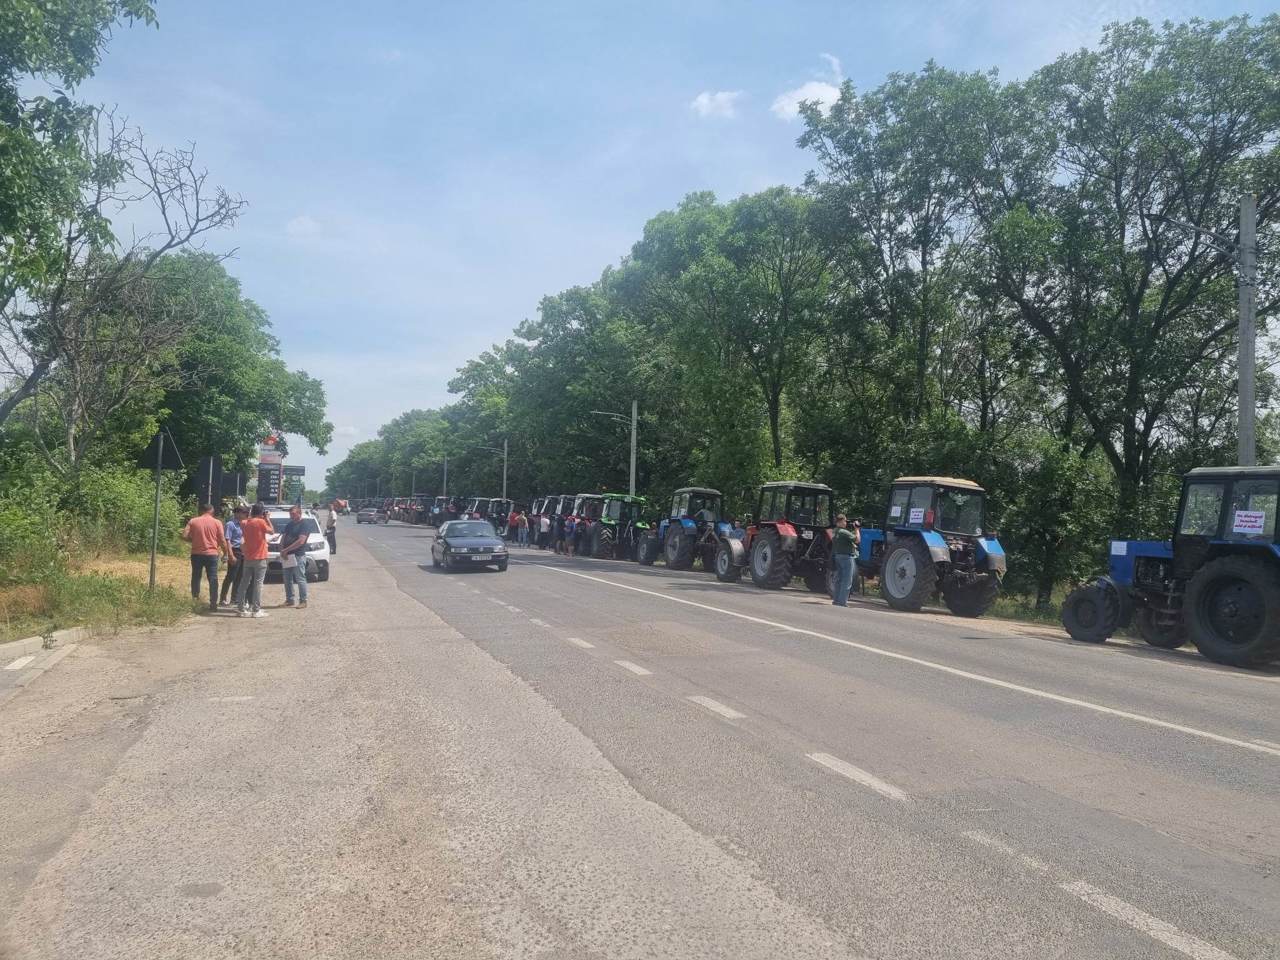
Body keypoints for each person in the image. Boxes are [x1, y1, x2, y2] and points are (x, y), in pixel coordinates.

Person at [181, 503, 232, 612]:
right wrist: (225, 553)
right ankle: (213, 603)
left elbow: (184, 535)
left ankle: (195, 599)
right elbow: (222, 540)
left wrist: (193, 540)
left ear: (200, 510)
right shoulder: (217, 522)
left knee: (196, 577)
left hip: (196, 554)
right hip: (212, 554)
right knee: (213, 578)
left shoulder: (193, 521)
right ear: (211, 510)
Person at [235, 503, 272, 618]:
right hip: (260, 557)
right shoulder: (260, 522)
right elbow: (271, 531)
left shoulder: (244, 523)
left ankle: (241, 608)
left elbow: (248, 523)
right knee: (258, 584)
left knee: (244, 582)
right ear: (262, 513)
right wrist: (267, 519)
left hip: (248, 557)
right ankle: (256, 610)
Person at [279, 505, 311, 608]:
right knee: (287, 578)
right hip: (287, 555)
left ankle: (303, 601)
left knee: (300, 578)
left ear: (299, 513)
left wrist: (286, 550)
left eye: (293, 514)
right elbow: (283, 537)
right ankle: (289, 600)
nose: (291, 516)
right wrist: (281, 550)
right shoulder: (289, 525)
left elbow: (301, 541)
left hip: (298, 555)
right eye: (290, 514)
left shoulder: (304, 525)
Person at [219, 505, 249, 607]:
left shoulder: (245, 524)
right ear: (238, 513)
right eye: (244, 513)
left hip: (243, 552)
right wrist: (230, 554)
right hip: (235, 550)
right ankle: (222, 598)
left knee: (240, 577)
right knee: (231, 576)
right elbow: (227, 540)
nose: (245, 515)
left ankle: (234, 599)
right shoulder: (230, 524)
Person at [830, 514, 859, 607]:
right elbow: (857, 540)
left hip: (838, 556)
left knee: (839, 579)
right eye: (845, 521)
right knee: (846, 580)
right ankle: (842, 602)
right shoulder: (843, 532)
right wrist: (857, 529)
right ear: (840, 521)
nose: (846, 523)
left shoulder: (834, 531)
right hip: (846, 557)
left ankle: (836, 600)